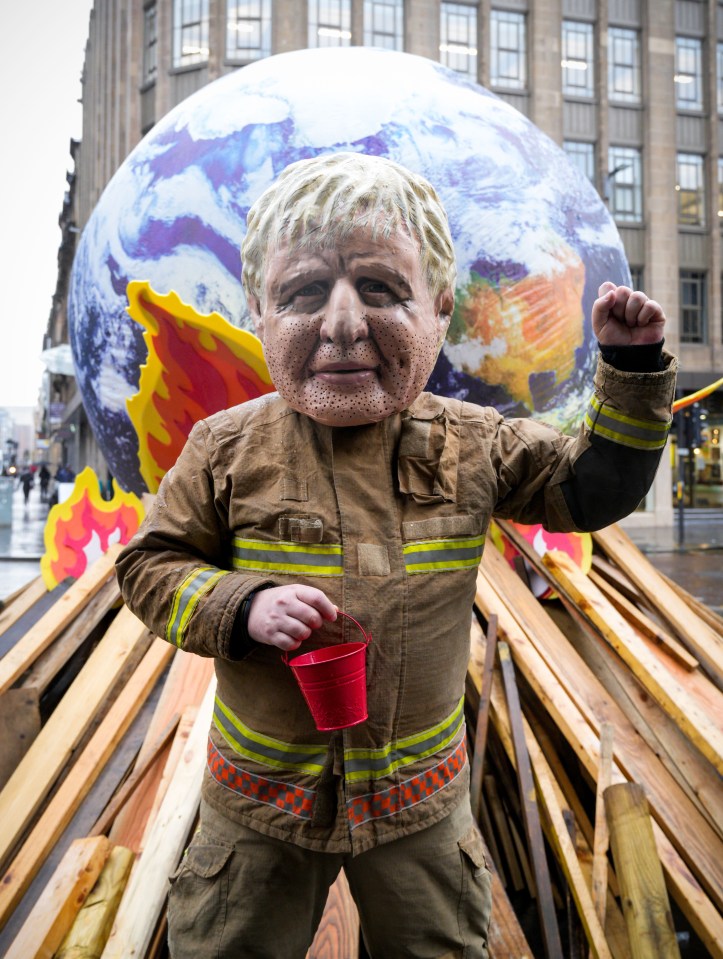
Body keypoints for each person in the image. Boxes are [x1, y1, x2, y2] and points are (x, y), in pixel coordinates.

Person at [116, 152, 677, 958]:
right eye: (304, 293)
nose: (343, 324)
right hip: (258, 812)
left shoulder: (474, 442)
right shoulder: (224, 448)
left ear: (438, 307)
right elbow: (148, 567)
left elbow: (587, 493)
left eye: (380, 289)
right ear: (258, 312)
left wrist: (627, 371)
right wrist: (240, 605)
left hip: (420, 812)